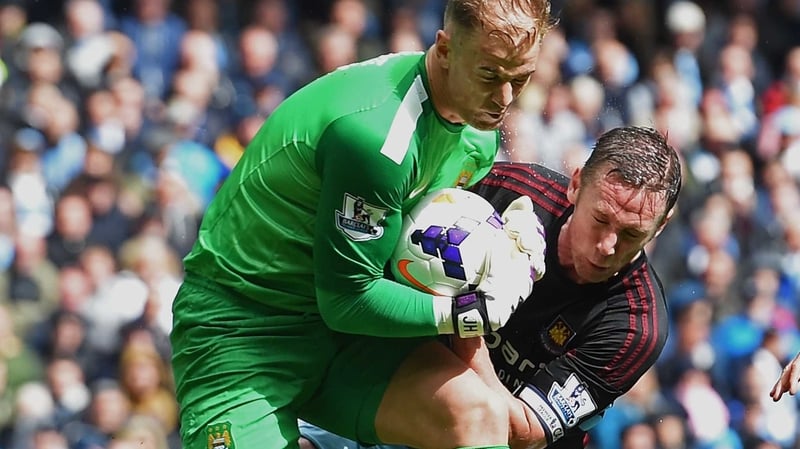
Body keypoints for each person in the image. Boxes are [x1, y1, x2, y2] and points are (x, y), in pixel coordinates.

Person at [170, 1, 555, 449]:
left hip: (349, 340)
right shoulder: (377, 139)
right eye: (489, 75)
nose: (505, 98)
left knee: (478, 415)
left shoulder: (476, 133)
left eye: (520, 79)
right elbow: (347, 299)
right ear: (445, 50)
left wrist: (499, 251)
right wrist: (468, 311)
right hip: (244, 332)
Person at [299, 125, 683, 449]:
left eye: (632, 235)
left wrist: (472, 317)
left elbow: (522, 432)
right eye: (600, 220)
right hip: (407, 380)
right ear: (576, 185)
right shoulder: (507, 192)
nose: (608, 246)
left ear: (660, 226)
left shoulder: (635, 325)